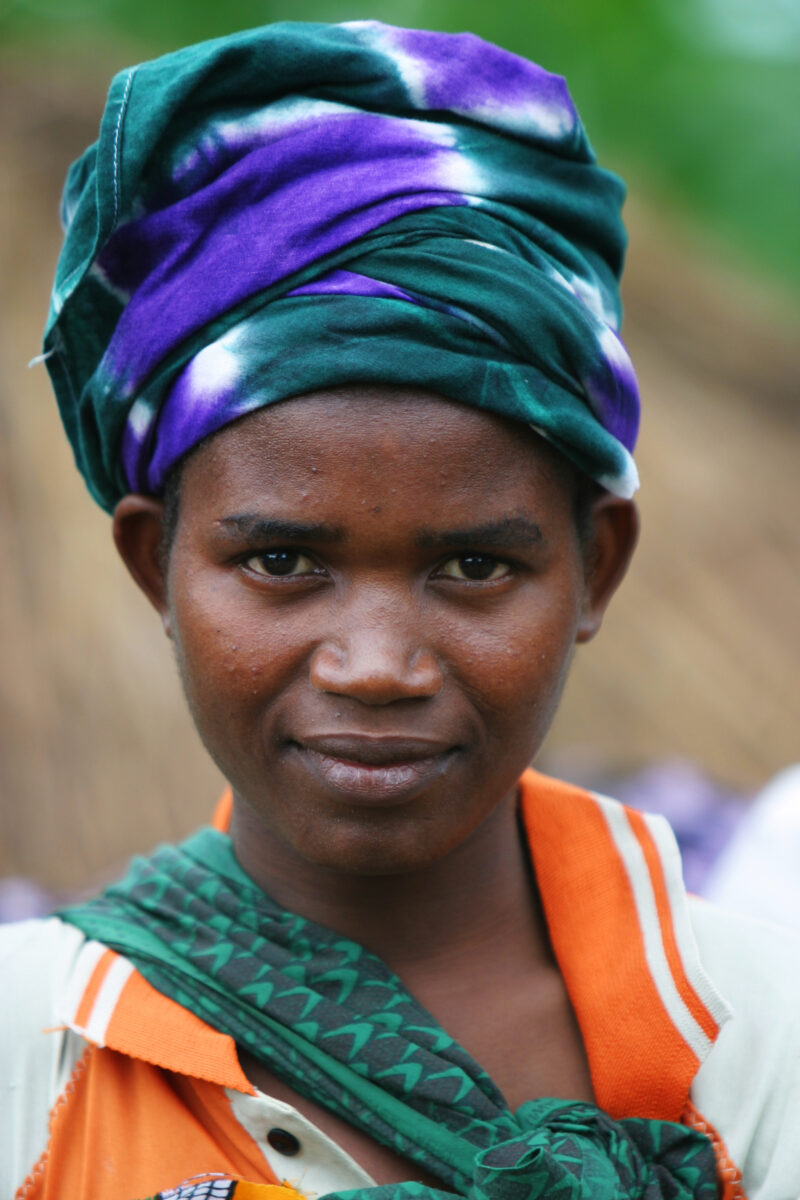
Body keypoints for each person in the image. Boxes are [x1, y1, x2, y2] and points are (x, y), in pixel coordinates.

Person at [2, 20, 798, 1200]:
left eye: (473, 569)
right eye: (279, 562)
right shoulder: (35, 1052)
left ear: (598, 566)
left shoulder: (759, 1045)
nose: (376, 666)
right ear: (152, 563)